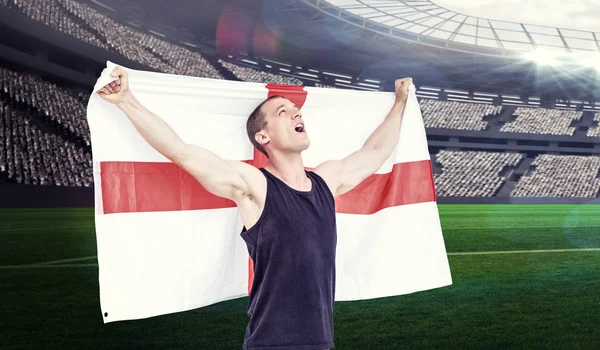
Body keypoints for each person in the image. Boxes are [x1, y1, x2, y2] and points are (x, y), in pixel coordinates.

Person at [97, 66, 412, 350]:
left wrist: (400, 103)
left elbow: (375, 151)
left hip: (322, 341)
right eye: (282, 112)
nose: (296, 113)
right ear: (264, 136)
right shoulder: (254, 186)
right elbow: (182, 152)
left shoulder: (327, 181)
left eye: (296, 110)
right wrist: (126, 100)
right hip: (271, 344)